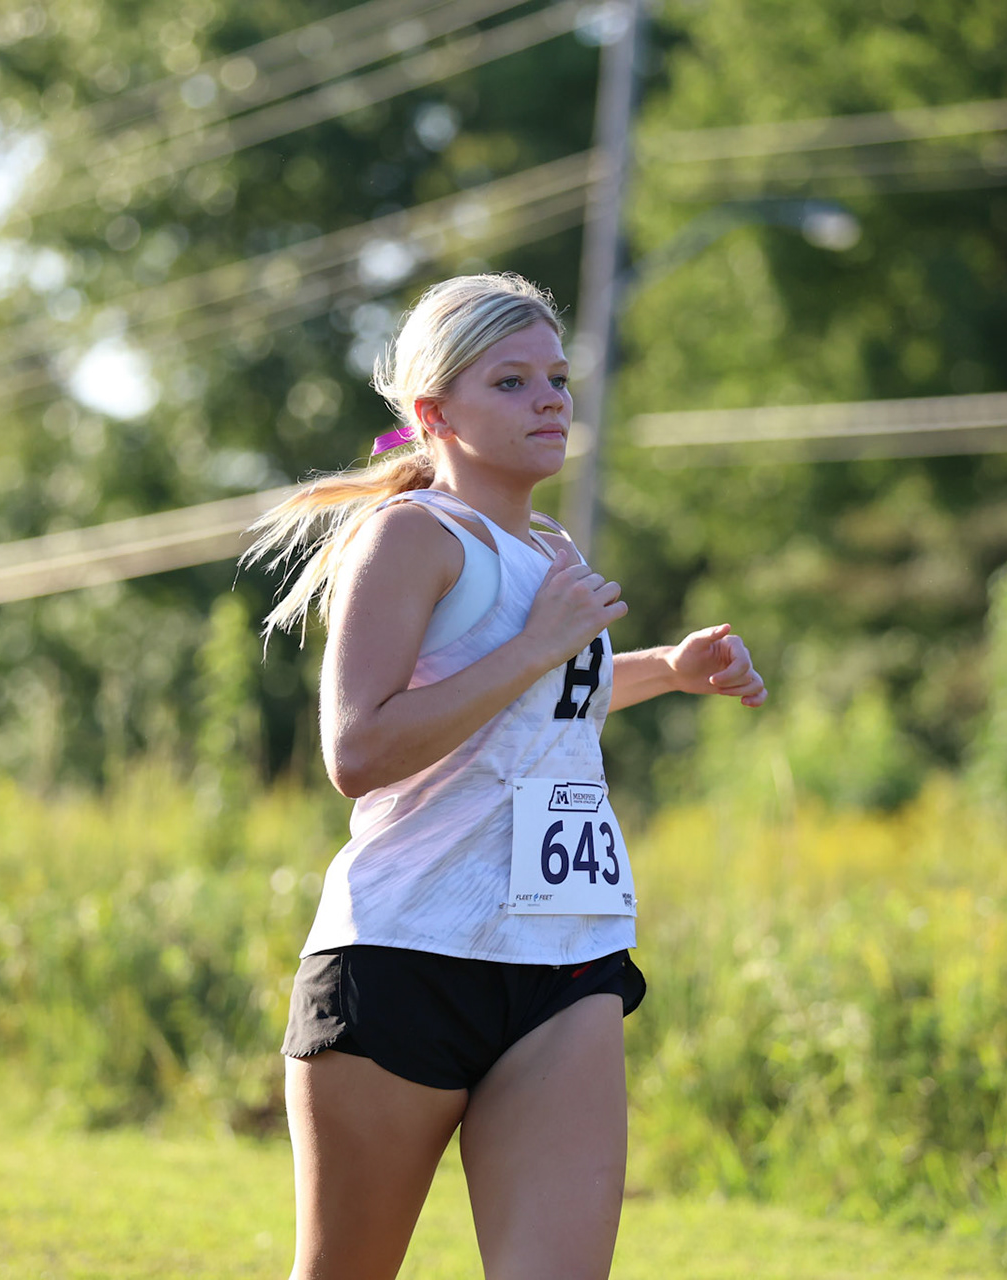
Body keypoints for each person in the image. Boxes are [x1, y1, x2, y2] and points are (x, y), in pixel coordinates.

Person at [245, 273, 767, 1280]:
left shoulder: (550, 549)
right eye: (514, 379)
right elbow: (357, 751)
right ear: (434, 413)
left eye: (559, 379)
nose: (551, 400)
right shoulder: (412, 538)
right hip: (406, 956)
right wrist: (541, 643)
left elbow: (533, 707)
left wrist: (667, 668)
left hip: (565, 954)